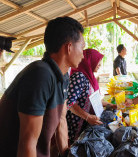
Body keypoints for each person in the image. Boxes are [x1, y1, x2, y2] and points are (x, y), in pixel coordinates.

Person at [0, 16, 85, 157]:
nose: (83, 53)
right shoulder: (40, 75)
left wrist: (66, 153)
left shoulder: (63, 76)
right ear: (69, 47)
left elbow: (61, 121)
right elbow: (27, 144)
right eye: (82, 47)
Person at [66, 49, 115, 144]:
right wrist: (87, 117)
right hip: (76, 124)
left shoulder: (90, 77)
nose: (100, 64)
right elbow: (69, 103)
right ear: (89, 61)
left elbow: (92, 99)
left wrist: (108, 104)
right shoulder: (79, 77)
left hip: (87, 122)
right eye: (97, 61)